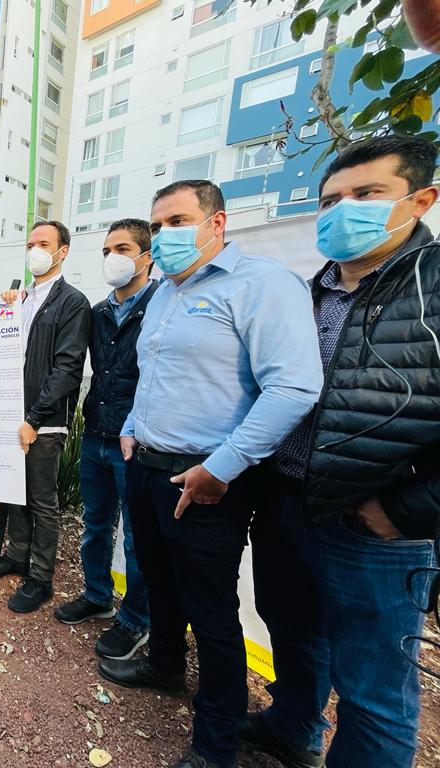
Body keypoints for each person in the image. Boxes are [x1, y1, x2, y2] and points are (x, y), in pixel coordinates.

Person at [99, 180, 322, 768]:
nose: (165, 235)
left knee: (214, 612)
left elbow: (293, 386)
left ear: (216, 223)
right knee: (159, 581)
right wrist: (130, 427)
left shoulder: (262, 285)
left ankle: (216, 742)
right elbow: (153, 375)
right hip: (146, 465)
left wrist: (220, 467)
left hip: (208, 480)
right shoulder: (167, 295)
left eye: (178, 221)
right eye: (159, 224)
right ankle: (166, 664)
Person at [244, 136, 440, 768]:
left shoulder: (431, 291)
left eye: (367, 194)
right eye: (331, 200)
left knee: (375, 692)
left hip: (373, 526)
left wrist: (408, 509)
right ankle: (293, 727)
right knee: (293, 631)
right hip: (287, 500)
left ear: (421, 199)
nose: (342, 211)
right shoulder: (308, 293)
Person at [0, 220, 91, 614]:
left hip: (44, 422)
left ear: (63, 251)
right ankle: (17, 555)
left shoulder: (72, 302)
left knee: (43, 500)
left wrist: (35, 418)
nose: (35, 250)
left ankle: (40, 578)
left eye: (44, 243)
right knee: (15, 492)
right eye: (30, 243)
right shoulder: (22, 299)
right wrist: (5, 306)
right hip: (10, 416)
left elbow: (67, 368)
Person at [54, 219, 156, 662]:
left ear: (146, 256)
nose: (113, 257)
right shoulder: (96, 313)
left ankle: (136, 620)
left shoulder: (160, 306)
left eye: (123, 248)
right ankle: (97, 594)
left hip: (137, 443)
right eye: (107, 249)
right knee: (95, 525)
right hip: (95, 432)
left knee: (137, 538)